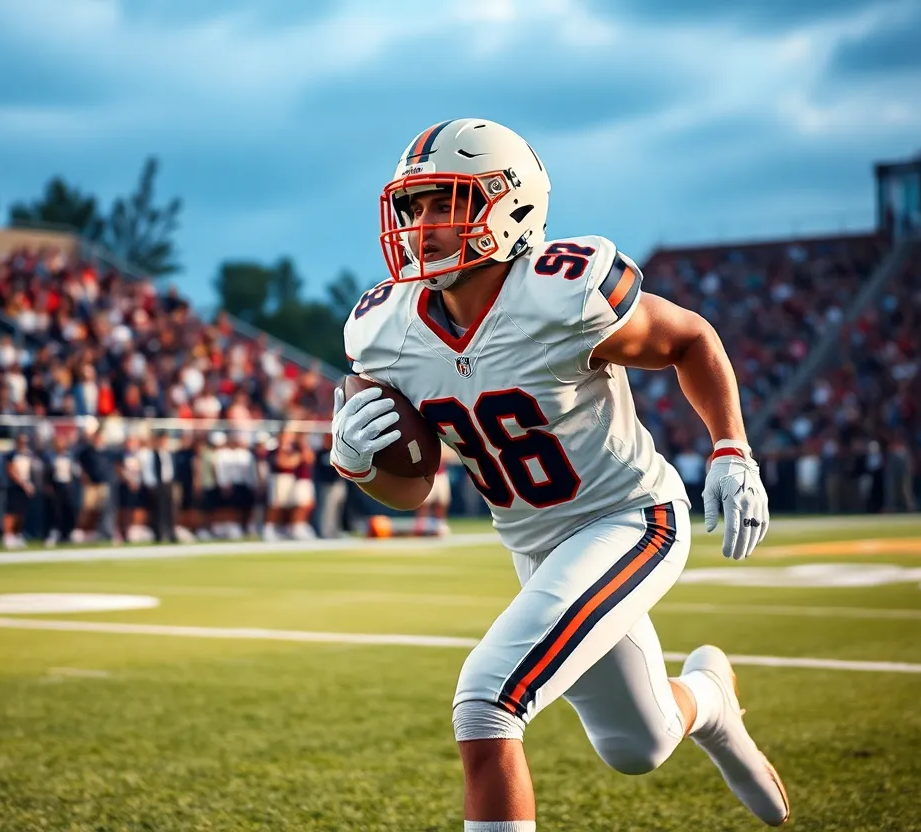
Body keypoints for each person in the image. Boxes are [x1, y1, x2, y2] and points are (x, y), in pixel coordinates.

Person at [333, 119, 786, 830]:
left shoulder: (561, 291)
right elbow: (413, 488)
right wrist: (359, 466)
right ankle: (710, 697)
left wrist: (731, 447)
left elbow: (689, 339)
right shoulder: (387, 330)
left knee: (487, 700)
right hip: (536, 545)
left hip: (631, 518)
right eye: (414, 206)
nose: (423, 224)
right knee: (638, 745)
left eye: (445, 202)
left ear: (508, 206)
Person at [75, 428, 110, 543]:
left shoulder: (105, 452)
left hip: (102, 484)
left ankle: (93, 532)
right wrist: (85, 477)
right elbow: (79, 466)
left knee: (99, 510)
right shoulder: (86, 452)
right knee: (87, 509)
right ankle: (80, 531)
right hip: (90, 484)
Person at [43, 432, 78, 546]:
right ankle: (53, 533)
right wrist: (48, 485)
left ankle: (66, 533)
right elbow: (46, 472)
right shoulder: (50, 456)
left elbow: (73, 471)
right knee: (55, 511)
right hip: (55, 485)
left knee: (69, 510)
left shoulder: (69, 455)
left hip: (67, 485)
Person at [3, 433, 36, 549]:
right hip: (15, 486)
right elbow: (11, 470)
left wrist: (29, 484)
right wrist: (23, 484)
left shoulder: (28, 454)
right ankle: (7, 536)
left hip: (25, 486)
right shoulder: (12, 454)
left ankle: (17, 534)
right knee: (11, 512)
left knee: (21, 513)